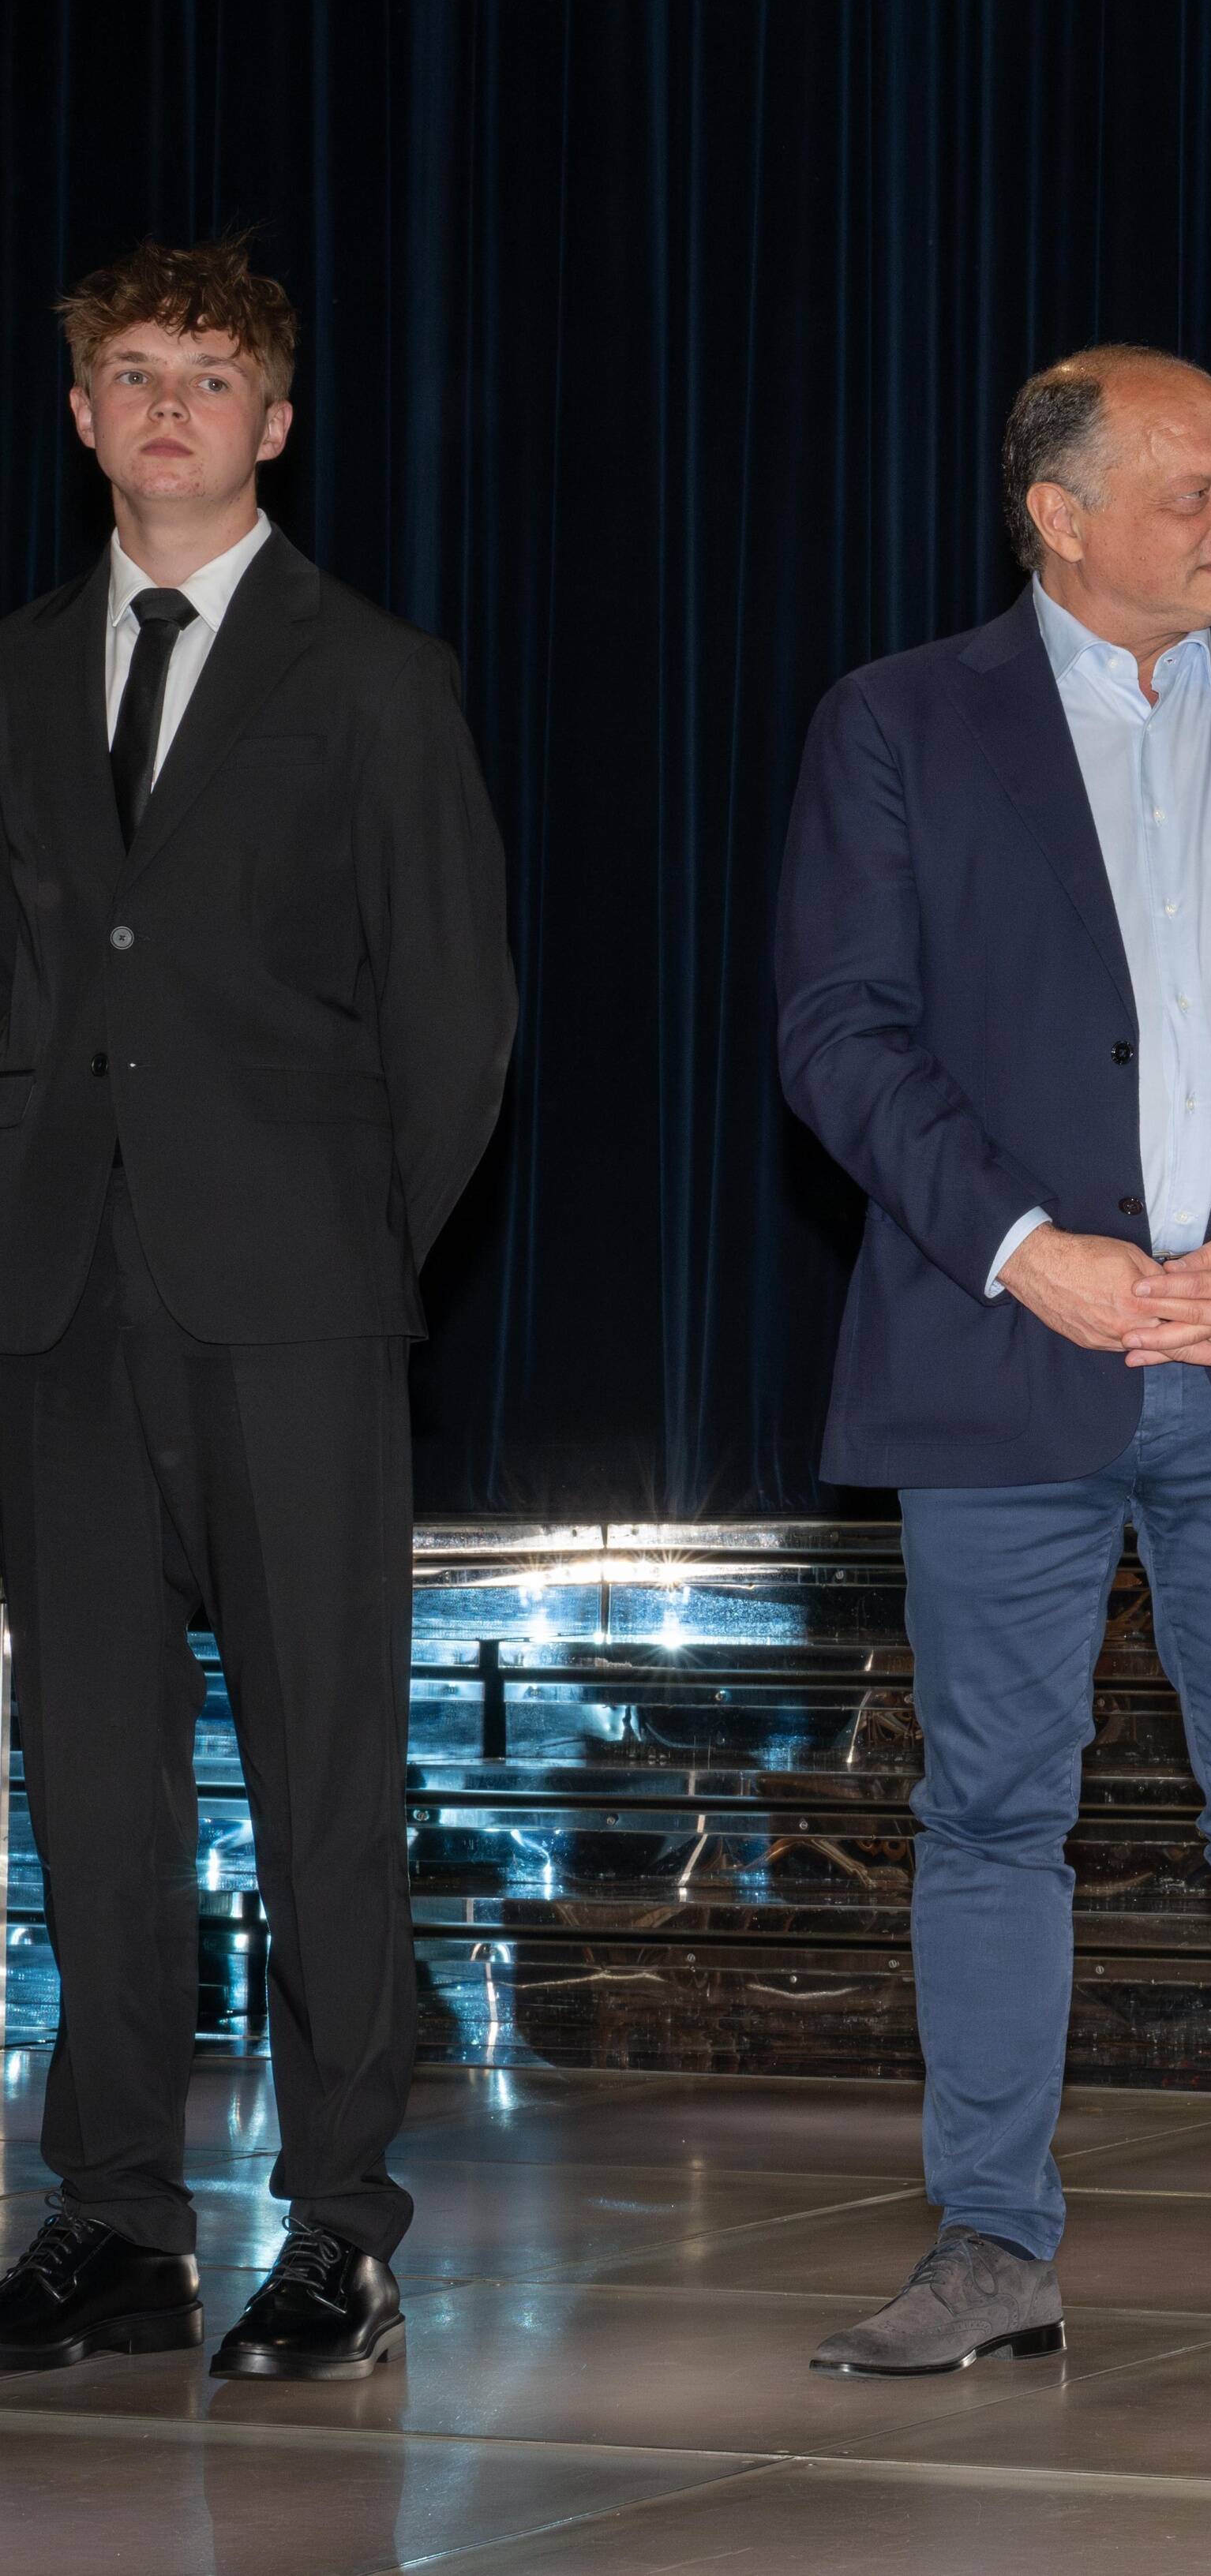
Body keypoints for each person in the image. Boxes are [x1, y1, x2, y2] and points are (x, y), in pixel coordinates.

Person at [774, 346, 1211, 2387]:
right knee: (990, 1810)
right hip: (1012, 1348)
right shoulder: (899, 724)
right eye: (1192, 489)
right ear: (1060, 517)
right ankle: (993, 2249)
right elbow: (840, 1033)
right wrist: (1025, 1249)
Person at [0, 235, 514, 2381]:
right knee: (91, 1782)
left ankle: (340, 2226)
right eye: (133, 371)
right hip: (54, 1306)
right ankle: (113, 2221)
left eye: (212, 374)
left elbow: (457, 1022)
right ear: (83, 416)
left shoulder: (377, 676)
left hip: (295, 1308)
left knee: (321, 1777)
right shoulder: (15, 666)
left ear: (275, 421)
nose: (171, 404)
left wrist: (348, 1255)